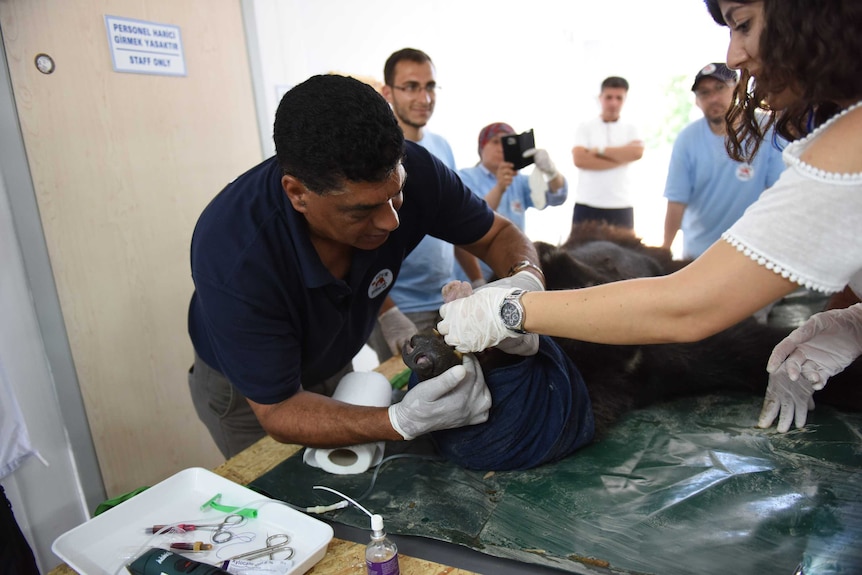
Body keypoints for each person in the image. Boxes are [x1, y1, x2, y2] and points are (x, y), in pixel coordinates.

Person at [438, 0, 862, 435]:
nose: (734, 56)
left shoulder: (847, 147)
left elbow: (687, 307)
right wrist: (847, 318)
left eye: (744, 24)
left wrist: (509, 311)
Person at [187, 73, 546, 458]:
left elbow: (496, 236)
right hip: (246, 392)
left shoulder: (417, 171)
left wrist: (525, 285)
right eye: (362, 210)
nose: (391, 221)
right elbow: (279, 409)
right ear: (298, 194)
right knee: (278, 500)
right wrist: (401, 421)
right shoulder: (234, 252)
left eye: (397, 194)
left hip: (331, 360)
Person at [366, 48, 475, 363]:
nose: (424, 98)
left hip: (445, 297)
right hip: (401, 303)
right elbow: (356, 247)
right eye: (411, 86)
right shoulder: (374, 153)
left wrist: (477, 280)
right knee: (411, 397)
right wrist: (389, 313)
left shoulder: (441, 146)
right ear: (388, 92)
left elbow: (460, 220)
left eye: (430, 86)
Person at [663, 62, 785, 260]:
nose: (713, 98)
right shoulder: (687, 139)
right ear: (696, 101)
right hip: (699, 254)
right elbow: (677, 200)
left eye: (720, 88)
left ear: (737, 89)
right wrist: (665, 250)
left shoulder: (767, 129)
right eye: (704, 93)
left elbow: (779, 192)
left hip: (752, 251)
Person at [456, 122, 568, 282]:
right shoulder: (465, 177)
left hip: (510, 270)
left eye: (506, 142)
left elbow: (557, 196)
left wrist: (551, 171)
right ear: (481, 148)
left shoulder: (519, 181)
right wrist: (500, 187)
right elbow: (468, 218)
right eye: (495, 141)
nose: (501, 147)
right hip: (474, 274)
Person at [571, 76, 644, 229]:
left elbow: (636, 153)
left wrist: (599, 151)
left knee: (625, 252)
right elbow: (580, 160)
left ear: (625, 99)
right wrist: (622, 157)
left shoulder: (631, 129)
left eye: (619, 98)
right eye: (609, 97)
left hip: (621, 205)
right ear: (600, 98)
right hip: (587, 203)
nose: (613, 103)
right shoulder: (585, 127)